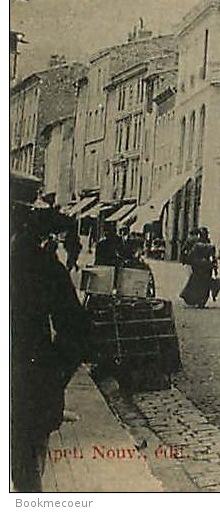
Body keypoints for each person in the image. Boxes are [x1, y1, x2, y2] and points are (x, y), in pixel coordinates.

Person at [10, 174, 90, 492]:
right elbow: (77, 330)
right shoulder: (42, 264)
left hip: (24, 395)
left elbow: (76, 331)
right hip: (29, 393)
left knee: (26, 480)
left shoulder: (38, 265)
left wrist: (47, 375)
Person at [180, 227, 217, 309]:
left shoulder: (197, 245)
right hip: (207, 267)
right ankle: (202, 301)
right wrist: (214, 268)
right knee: (205, 284)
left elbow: (190, 255)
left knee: (196, 283)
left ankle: (195, 298)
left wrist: (189, 261)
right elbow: (213, 259)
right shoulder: (210, 246)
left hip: (198, 266)